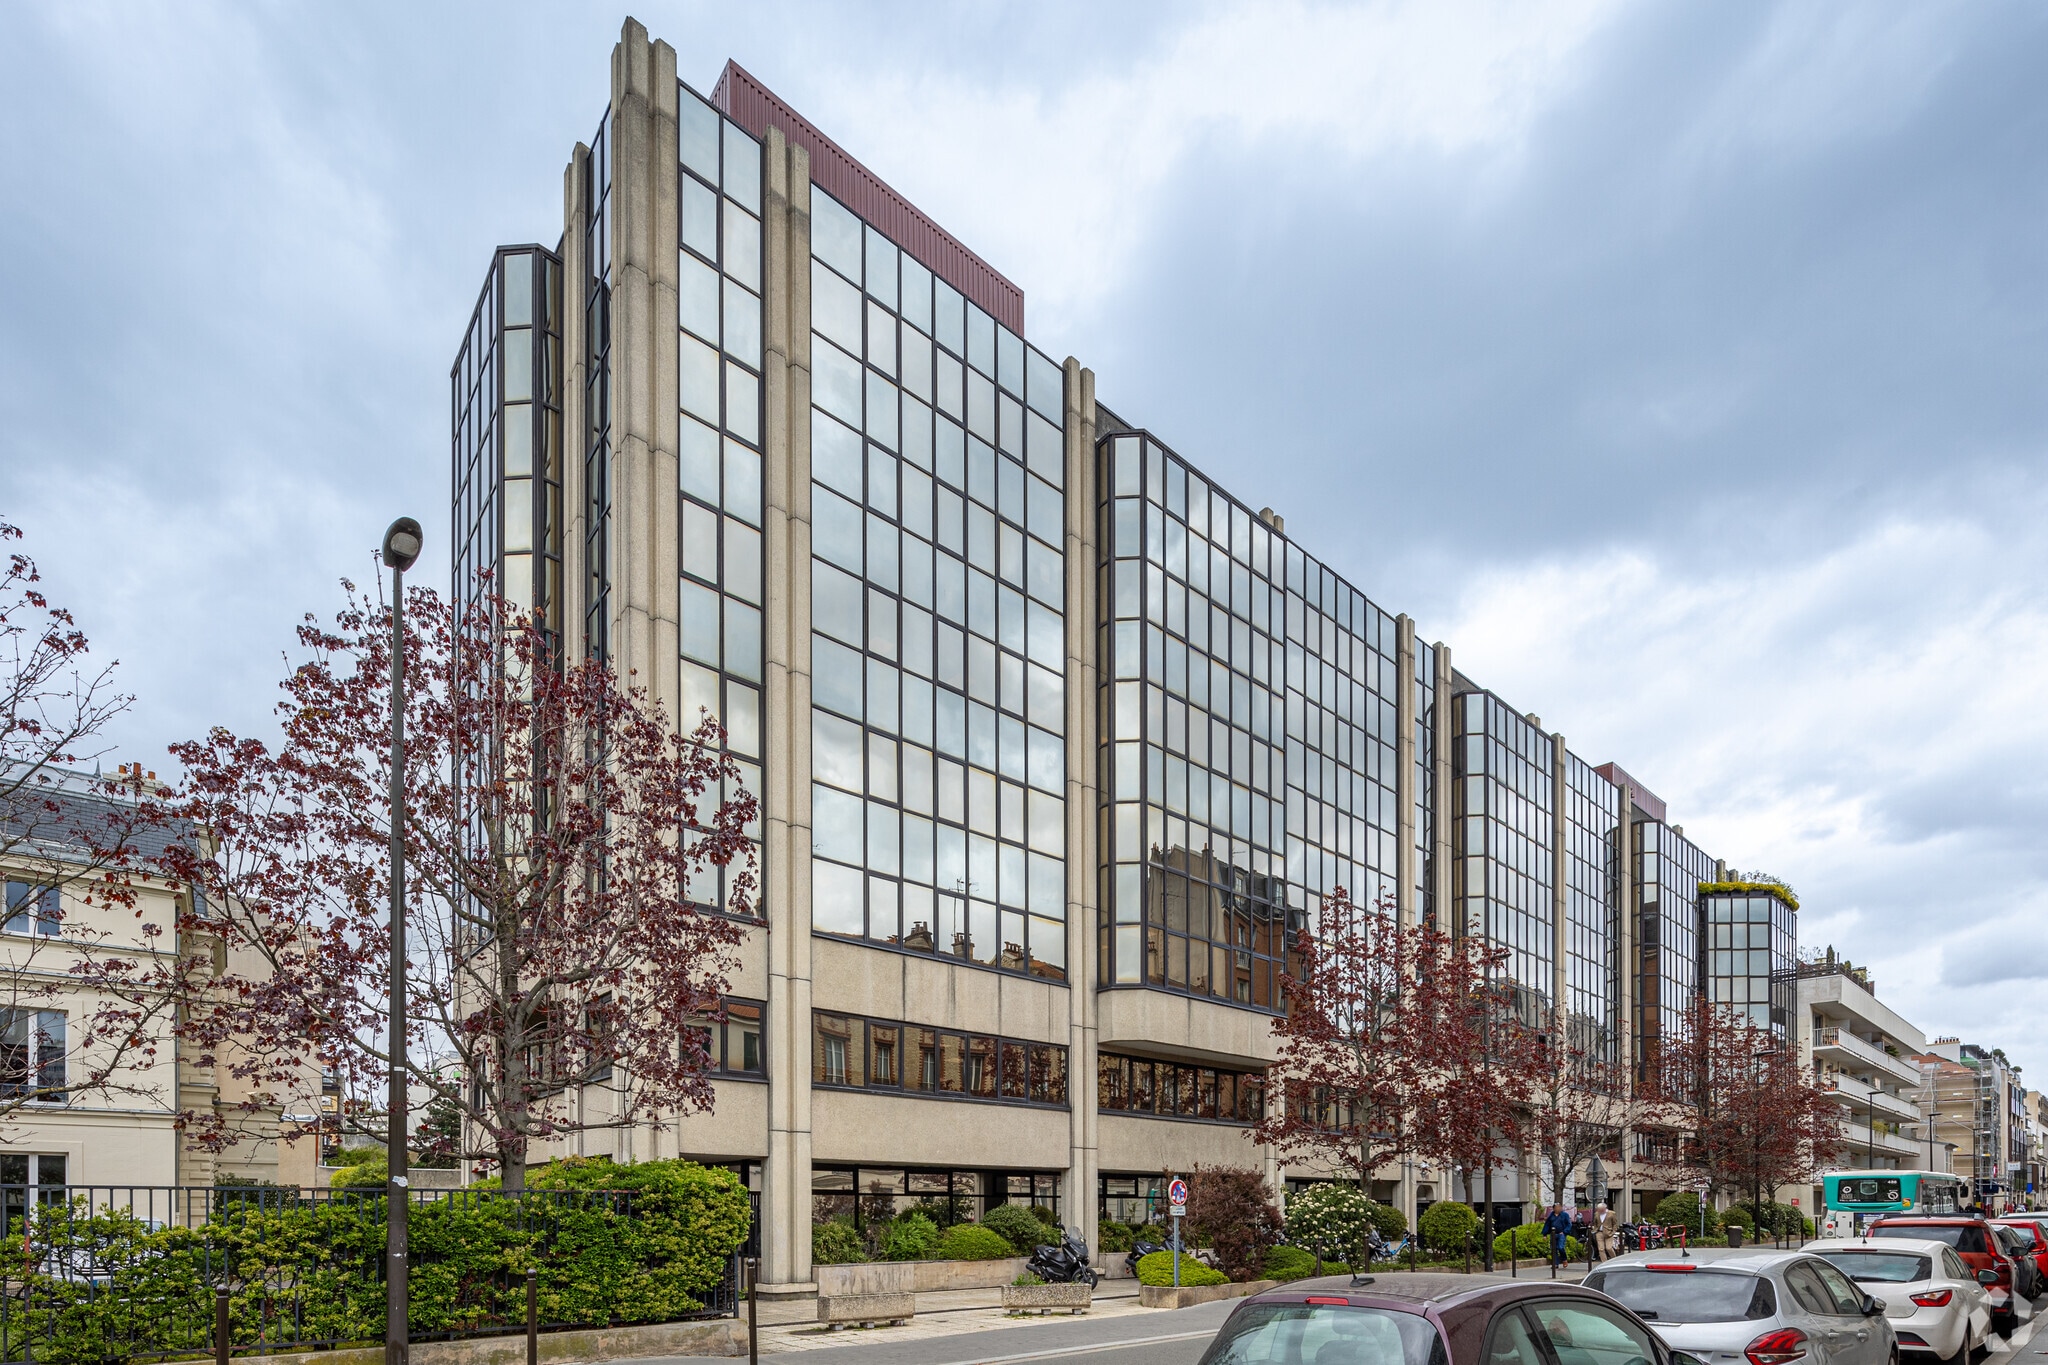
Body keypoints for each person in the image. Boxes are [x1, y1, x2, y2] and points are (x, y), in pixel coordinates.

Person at [1543, 1202, 1573, 1270]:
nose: (1558, 1209)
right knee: (1553, 1249)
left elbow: (1569, 1224)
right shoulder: (1551, 1215)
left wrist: (1565, 1231)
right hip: (1553, 1234)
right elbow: (1547, 1225)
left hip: (1561, 1234)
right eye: (1556, 1207)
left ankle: (1564, 1259)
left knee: (1560, 1247)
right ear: (1554, 1209)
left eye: (1559, 1207)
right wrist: (1545, 1234)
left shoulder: (1565, 1215)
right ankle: (1555, 1264)